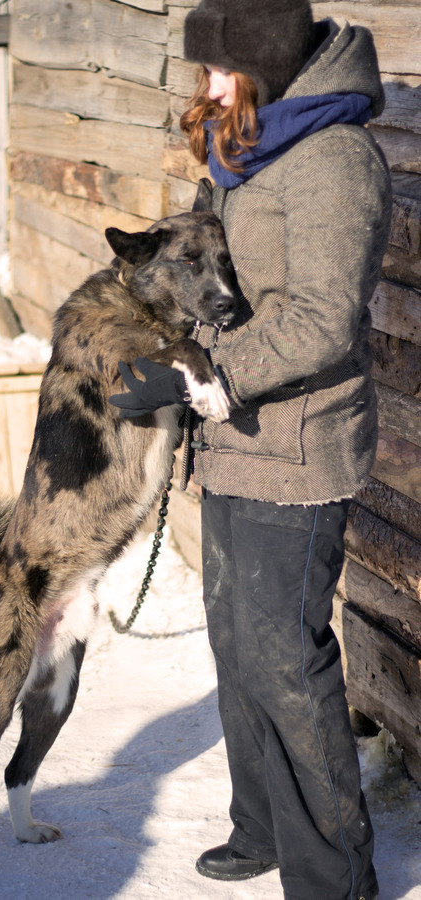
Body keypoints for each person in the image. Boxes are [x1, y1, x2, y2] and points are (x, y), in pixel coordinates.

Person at [109, 0, 392, 897]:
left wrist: (210, 378)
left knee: (285, 655)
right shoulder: (250, 149)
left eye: (218, 70)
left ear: (263, 63)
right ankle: (262, 825)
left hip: (298, 445)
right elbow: (211, 269)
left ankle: (333, 875)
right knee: (238, 643)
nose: (207, 88)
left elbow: (320, 319)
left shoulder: (333, 163)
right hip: (232, 437)